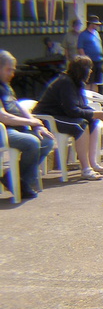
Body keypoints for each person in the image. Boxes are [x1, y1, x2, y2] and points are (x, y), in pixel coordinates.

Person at [34, 55, 103, 181]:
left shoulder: (78, 83)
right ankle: (85, 169)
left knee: (92, 121)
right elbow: (72, 111)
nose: (91, 71)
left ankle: (93, 164)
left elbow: (82, 106)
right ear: (82, 70)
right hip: (48, 117)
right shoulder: (65, 82)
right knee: (80, 125)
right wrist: (96, 114)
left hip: (62, 115)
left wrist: (98, 114)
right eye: (89, 68)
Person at [0, 50, 56, 199]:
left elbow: (18, 107)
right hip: (4, 131)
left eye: (13, 69)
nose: (12, 74)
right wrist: (30, 122)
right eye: (8, 69)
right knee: (31, 142)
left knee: (47, 141)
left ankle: (14, 178)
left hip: (18, 128)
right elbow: (3, 117)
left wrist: (37, 125)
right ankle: (24, 184)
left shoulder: (6, 86)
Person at [77, 15, 103, 94]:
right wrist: (85, 60)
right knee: (88, 81)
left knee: (97, 82)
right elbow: (80, 48)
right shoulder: (83, 34)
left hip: (99, 60)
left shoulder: (96, 33)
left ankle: (96, 98)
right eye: (96, 24)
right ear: (91, 24)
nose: (97, 26)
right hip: (89, 61)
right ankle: (88, 99)